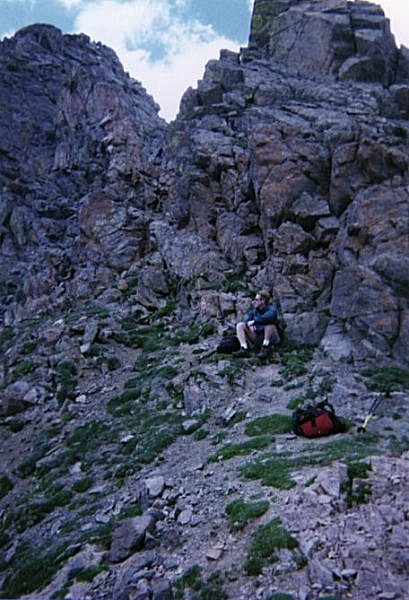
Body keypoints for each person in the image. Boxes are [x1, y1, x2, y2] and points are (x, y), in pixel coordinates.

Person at [233, 290, 280, 358]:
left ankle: (265, 347)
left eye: (256, 300)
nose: (254, 301)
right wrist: (249, 325)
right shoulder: (254, 310)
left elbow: (269, 316)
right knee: (240, 325)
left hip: (271, 337)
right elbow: (246, 320)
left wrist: (255, 322)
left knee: (269, 325)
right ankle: (244, 348)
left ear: (263, 301)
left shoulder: (271, 308)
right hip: (257, 335)